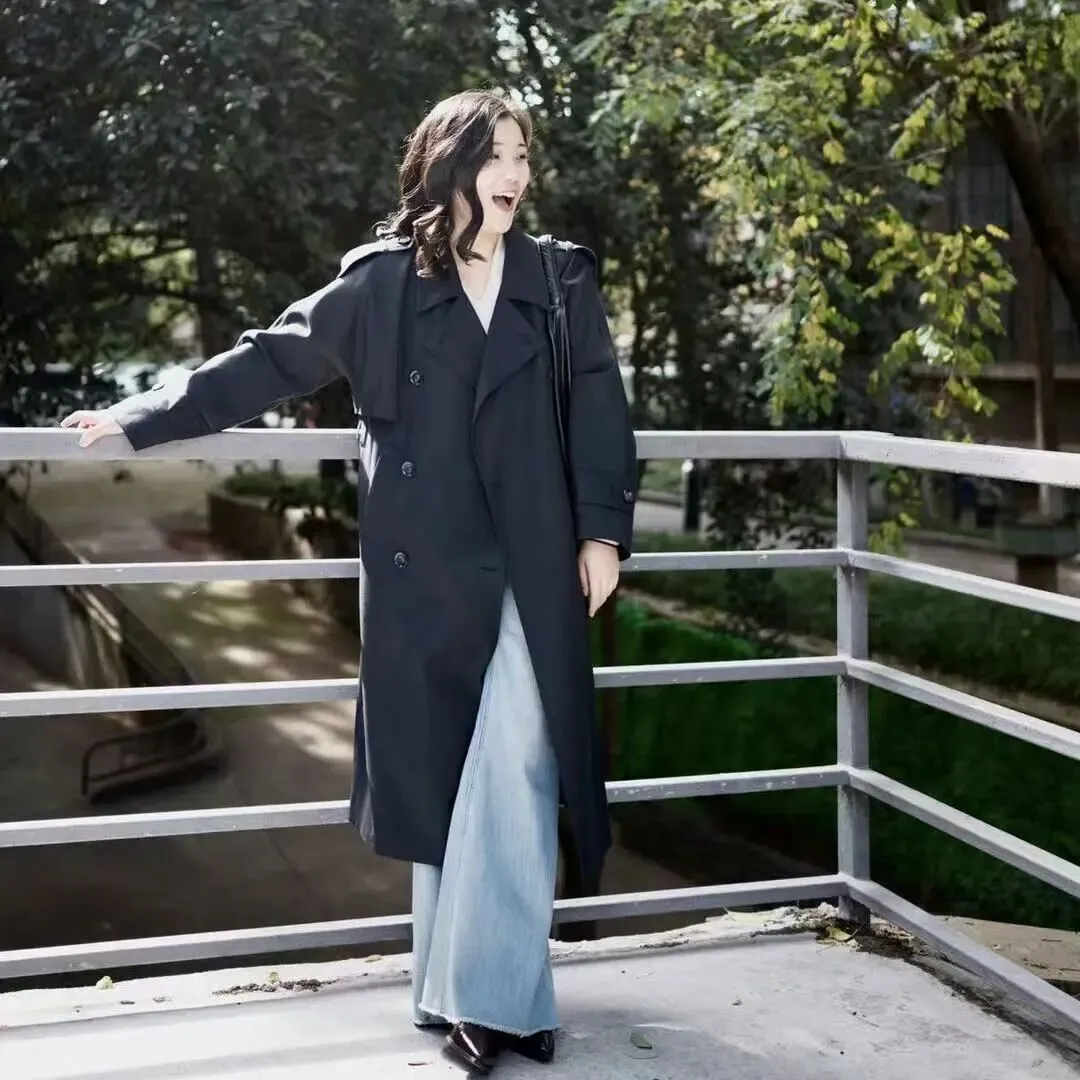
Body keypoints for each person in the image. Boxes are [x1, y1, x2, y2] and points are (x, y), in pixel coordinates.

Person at [61, 88, 638, 1075]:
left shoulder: (559, 279)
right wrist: (137, 416)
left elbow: (598, 406)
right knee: (449, 778)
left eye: (523, 155)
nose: (515, 174)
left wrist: (604, 533)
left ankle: (490, 994)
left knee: (520, 766)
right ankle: (460, 990)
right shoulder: (382, 285)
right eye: (496, 154)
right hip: (427, 572)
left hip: (535, 562)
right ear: (448, 165)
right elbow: (268, 361)